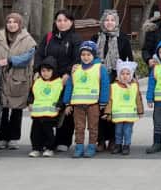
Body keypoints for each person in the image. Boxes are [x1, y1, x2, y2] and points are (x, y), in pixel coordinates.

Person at [0, 12, 36, 152]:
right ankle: (2, 137)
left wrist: (9, 60)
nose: (12, 24)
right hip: (2, 78)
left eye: (15, 22)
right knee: (2, 109)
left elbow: (27, 57)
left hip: (19, 79)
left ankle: (14, 138)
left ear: (20, 24)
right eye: (9, 22)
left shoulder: (27, 39)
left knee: (16, 110)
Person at [34, 10, 82, 151]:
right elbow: (39, 54)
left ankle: (63, 140)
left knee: (65, 108)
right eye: (59, 20)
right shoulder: (49, 37)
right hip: (48, 79)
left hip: (65, 79)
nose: (62, 23)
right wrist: (38, 70)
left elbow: (77, 58)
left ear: (71, 22)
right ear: (55, 22)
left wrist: (68, 73)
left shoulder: (75, 38)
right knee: (46, 109)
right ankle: (45, 141)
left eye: (65, 20)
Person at [60, 41, 110, 158]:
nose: (86, 57)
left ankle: (92, 146)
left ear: (94, 55)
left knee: (93, 127)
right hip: (77, 105)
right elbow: (70, 86)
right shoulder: (76, 69)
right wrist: (67, 103)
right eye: (83, 55)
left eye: (88, 54)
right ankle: (79, 147)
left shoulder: (100, 68)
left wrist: (103, 102)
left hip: (93, 104)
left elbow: (105, 85)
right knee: (79, 127)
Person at [95, 9, 134, 154]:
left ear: (116, 22)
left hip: (116, 78)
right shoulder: (96, 38)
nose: (109, 23)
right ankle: (100, 140)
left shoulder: (123, 39)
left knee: (113, 110)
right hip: (99, 78)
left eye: (112, 20)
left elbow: (129, 59)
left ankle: (113, 140)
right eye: (106, 20)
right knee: (100, 110)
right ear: (102, 22)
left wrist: (130, 79)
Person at [27, 57, 63, 157]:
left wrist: (60, 104)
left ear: (54, 71)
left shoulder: (58, 82)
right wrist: (29, 102)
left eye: (48, 71)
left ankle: (49, 148)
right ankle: (36, 148)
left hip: (50, 113)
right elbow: (32, 93)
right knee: (35, 133)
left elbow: (61, 95)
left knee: (49, 133)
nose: (45, 73)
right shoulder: (38, 82)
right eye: (43, 71)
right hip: (37, 113)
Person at [108, 60, 143, 156]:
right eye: (122, 73)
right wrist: (108, 113)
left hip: (129, 115)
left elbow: (138, 99)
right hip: (118, 115)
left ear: (131, 75)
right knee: (118, 131)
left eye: (128, 74)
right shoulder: (114, 86)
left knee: (127, 131)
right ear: (119, 75)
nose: (125, 76)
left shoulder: (134, 86)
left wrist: (140, 111)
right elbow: (110, 100)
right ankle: (118, 145)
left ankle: (126, 145)